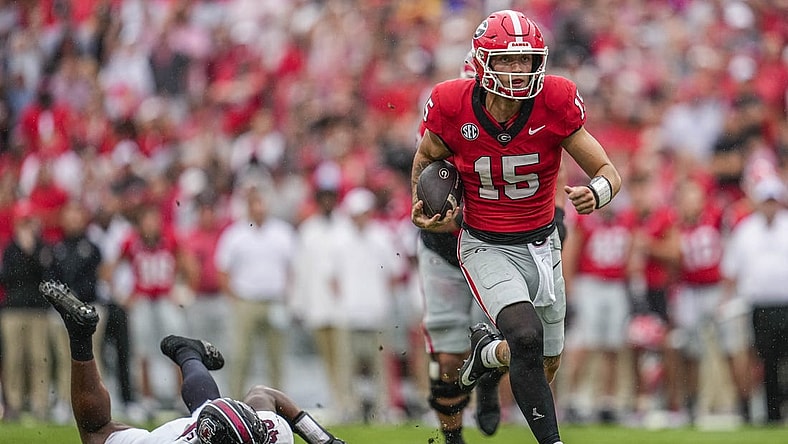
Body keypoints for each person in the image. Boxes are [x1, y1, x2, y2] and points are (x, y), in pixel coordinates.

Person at [411, 10, 621, 444]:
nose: (518, 69)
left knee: (544, 361)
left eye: (525, 60)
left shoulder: (555, 100)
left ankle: (488, 356)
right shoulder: (452, 104)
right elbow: (426, 157)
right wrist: (421, 199)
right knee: (525, 334)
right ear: (483, 62)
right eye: (507, 60)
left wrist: (596, 192)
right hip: (484, 243)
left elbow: (607, 170)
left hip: (542, 244)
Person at [40, 279, 346, 444]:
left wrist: (322, 440)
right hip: (179, 435)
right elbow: (263, 395)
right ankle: (80, 338)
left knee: (207, 404)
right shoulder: (273, 435)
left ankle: (187, 352)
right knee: (96, 433)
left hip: (212, 423)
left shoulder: (272, 432)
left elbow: (263, 394)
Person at [721, 177, 788, 424]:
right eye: (766, 201)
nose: (769, 206)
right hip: (759, 305)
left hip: (785, 303)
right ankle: (771, 413)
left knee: (784, 359)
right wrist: (725, 299)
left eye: (773, 201)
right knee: (765, 358)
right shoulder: (746, 231)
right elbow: (731, 269)